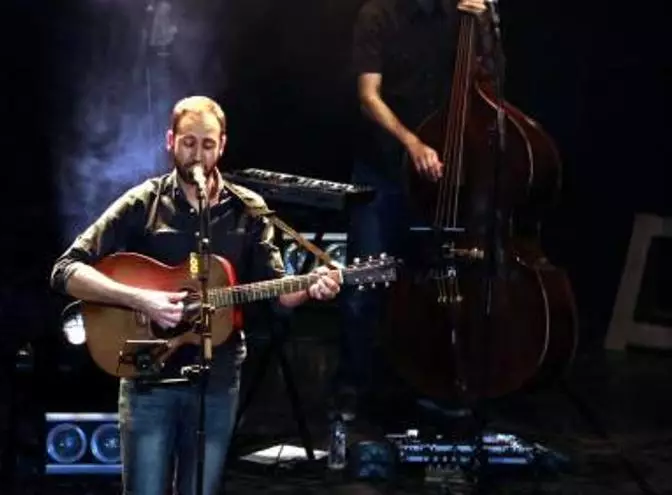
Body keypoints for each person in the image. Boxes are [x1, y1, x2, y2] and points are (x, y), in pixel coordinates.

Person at [49, 95, 341, 495]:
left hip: (218, 378)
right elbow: (66, 270)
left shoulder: (249, 210)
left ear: (222, 146)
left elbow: (277, 292)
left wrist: (309, 286)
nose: (197, 155)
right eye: (188, 143)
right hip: (148, 377)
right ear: (170, 141)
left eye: (207, 144)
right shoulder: (143, 203)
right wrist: (141, 300)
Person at [333, 0, 492, 420]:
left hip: (439, 178)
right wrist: (412, 143)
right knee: (365, 283)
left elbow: (489, 82)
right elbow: (368, 97)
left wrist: (485, 27)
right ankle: (352, 386)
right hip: (382, 169)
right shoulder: (378, 14)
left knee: (431, 283)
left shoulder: (459, 15)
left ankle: (426, 381)